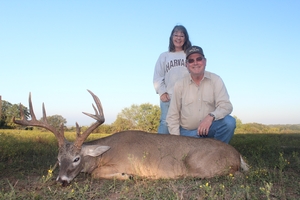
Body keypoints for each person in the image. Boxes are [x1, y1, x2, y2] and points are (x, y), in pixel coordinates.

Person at [166, 46, 236, 143]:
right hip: (188, 133)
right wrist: (178, 141)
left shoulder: (216, 80)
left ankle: (218, 153)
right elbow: (172, 116)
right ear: (187, 65)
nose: (195, 63)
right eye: (191, 60)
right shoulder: (179, 84)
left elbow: (226, 106)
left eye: (199, 59)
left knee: (229, 122)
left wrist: (211, 117)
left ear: (205, 61)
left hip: (210, 128)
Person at [153, 25, 192, 134]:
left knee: (185, 124)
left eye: (181, 35)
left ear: (185, 38)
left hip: (187, 96)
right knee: (165, 123)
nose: (178, 38)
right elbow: (158, 76)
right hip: (168, 96)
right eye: (176, 35)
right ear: (171, 37)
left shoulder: (189, 55)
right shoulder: (164, 56)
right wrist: (162, 92)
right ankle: (159, 150)